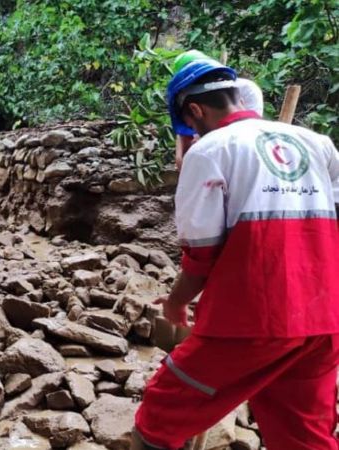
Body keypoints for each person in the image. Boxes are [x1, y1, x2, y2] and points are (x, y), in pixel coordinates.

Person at [132, 60, 339, 449]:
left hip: (254, 319)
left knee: (160, 413)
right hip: (325, 317)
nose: (192, 133)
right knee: (303, 431)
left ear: (194, 111)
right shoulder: (317, 143)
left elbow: (202, 254)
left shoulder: (209, 151)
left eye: (189, 126)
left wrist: (177, 303)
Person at [171, 50, 265, 170]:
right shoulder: (296, 134)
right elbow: (181, 158)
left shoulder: (245, 88)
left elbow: (246, 129)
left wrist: (200, 151)